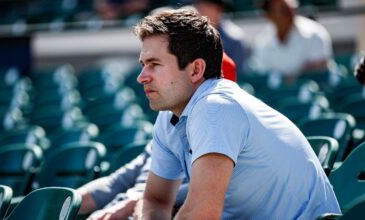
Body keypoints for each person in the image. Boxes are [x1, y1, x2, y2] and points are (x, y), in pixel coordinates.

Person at [134, 8, 340, 219]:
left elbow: (201, 214)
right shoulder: (169, 115)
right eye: (143, 65)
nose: (142, 77)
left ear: (196, 70)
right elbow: (155, 200)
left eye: (154, 64)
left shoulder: (216, 106)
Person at [76, 51, 236, 220]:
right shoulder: (165, 133)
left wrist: (138, 201)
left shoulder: (226, 143)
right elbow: (116, 183)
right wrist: (66, 200)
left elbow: (208, 192)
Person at [251, 0, 332, 80]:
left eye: (293, 9)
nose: (291, 13)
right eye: (283, 10)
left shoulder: (315, 33)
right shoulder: (261, 42)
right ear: (269, 16)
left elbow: (320, 73)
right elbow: (264, 76)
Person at [193, 0, 250, 75]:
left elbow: (239, 75)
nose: (201, 8)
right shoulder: (191, 34)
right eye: (199, 4)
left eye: (207, 5)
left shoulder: (234, 39)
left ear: (219, 9)